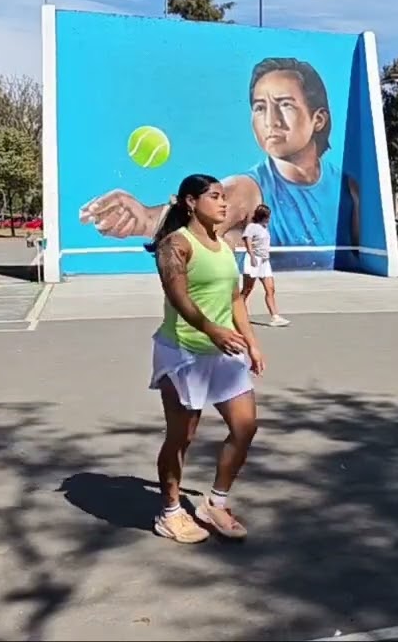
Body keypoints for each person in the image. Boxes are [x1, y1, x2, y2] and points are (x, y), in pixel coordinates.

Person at [79, 58, 362, 263]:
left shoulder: (348, 189)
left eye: (285, 105)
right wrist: (145, 220)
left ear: (319, 119)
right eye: (259, 107)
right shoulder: (249, 189)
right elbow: (194, 217)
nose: (270, 120)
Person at [147, 173, 265, 543]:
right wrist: (211, 329)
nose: (224, 203)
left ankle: (215, 502)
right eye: (215, 196)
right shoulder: (174, 245)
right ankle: (169, 511)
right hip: (183, 352)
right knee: (182, 436)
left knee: (245, 427)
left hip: (225, 352)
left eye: (224, 196)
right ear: (190, 202)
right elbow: (179, 296)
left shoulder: (225, 247)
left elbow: (234, 301)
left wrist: (252, 342)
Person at [241, 203, 290, 327]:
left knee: (270, 289)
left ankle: (275, 317)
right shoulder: (252, 227)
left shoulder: (264, 228)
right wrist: (252, 256)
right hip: (254, 259)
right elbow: (248, 240)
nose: (269, 218)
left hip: (264, 261)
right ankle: (238, 314)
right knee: (247, 289)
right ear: (262, 216)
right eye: (267, 216)